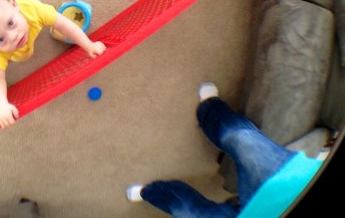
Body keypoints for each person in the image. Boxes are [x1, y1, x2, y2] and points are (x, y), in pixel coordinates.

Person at [127, 82, 326, 217]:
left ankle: (150, 192)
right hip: (287, 182)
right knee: (241, 139)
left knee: (187, 211)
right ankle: (211, 109)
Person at [0, 0, 107, 129]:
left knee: (49, 17)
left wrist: (89, 46)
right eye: (0, 40)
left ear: (14, 6)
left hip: (26, 9)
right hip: (6, 21)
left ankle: (8, 15)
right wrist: (1, 104)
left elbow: (65, 25)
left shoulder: (35, 11)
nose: (13, 37)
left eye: (11, 24)